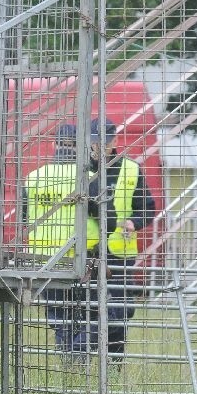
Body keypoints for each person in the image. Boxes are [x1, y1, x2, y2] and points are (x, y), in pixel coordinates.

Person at [22, 123, 117, 351]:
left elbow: (25, 220)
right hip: (82, 261)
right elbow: (109, 221)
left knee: (60, 320)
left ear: (54, 145)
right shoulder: (89, 177)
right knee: (104, 313)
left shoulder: (34, 178)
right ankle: (77, 354)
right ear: (81, 147)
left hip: (44, 262)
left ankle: (69, 366)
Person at [89, 117, 157, 358]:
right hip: (88, 254)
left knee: (120, 310)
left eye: (106, 142)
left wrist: (133, 222)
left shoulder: (130, 168)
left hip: (120, 255)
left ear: (115, 140)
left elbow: (149, 207)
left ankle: (113, 363)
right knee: (88, 308)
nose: (102, 147)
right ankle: (86, 359)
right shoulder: (79, 170)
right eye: (97, 142)